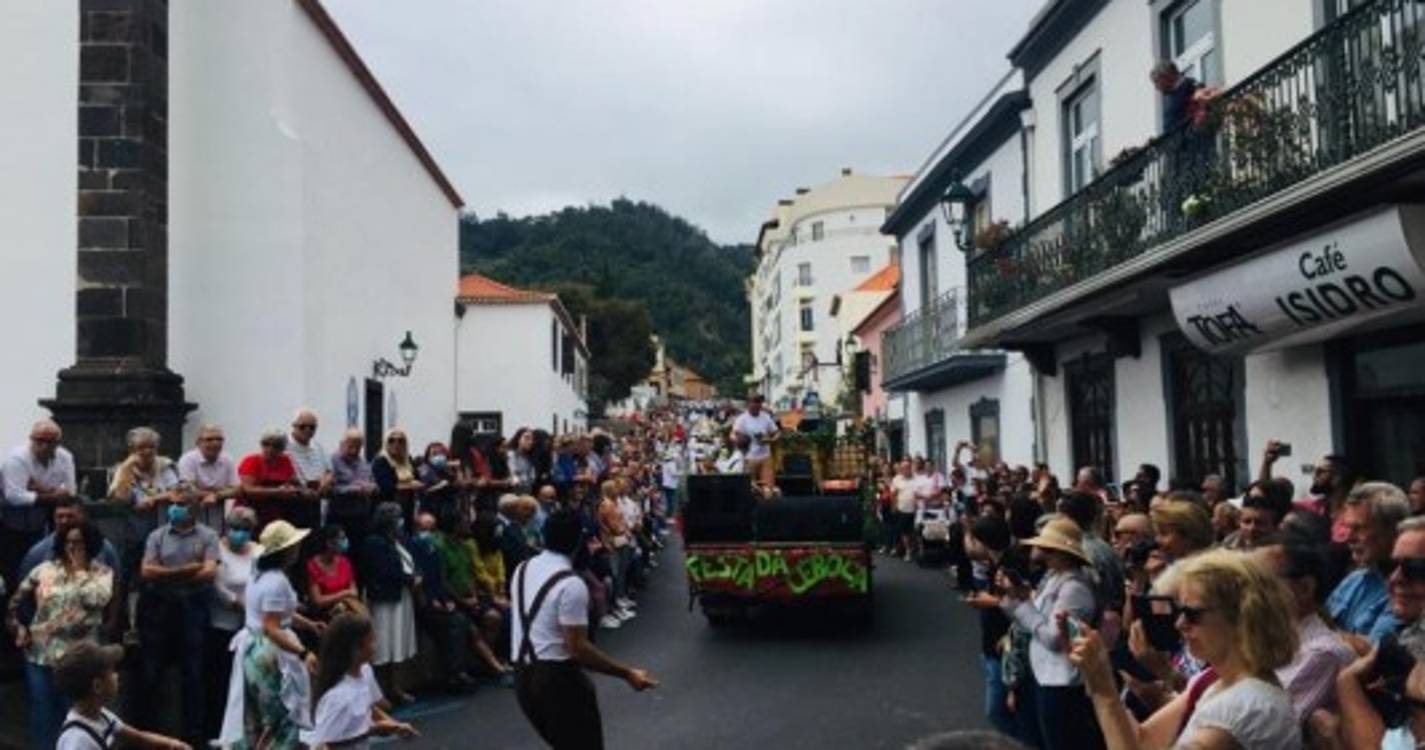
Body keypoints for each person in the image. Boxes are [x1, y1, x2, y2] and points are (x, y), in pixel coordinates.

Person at [1069, 549, 1302, 750]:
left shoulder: (1249, 707)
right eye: (1180, 611)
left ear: (1242, 617)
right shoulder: (1213, 679)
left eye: (1192, 614)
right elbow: (1144, 741)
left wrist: (1104, 691)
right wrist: (1097, 675)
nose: (1180, 624)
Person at [510, 509, 657, 749]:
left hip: (523, 676)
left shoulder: (522, 569)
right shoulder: (571, 584)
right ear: (577, 543)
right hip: (556, 678)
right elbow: (577, 648)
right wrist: (627, 673)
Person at [994, 517, 1104, 750]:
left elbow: (1054, 638)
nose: (1043, 553)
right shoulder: (1054, 578)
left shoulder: (1074, 588)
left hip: (1062, 680)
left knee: (1060, 742)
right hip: (1046, 675)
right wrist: (1016, 600)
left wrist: (1022, 608)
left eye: (1049, 549)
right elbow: (1036, 620)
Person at [6, 520, 113, 750]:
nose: (73, 547)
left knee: (74, 713)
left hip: (78, 658)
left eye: (79, 542)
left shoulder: (102, 573)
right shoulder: (44, 570)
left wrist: (80, 571)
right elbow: (14, 602)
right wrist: (18, 627)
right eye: (68, 541)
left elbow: (97, 599)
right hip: (40, 653)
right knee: (43, 712)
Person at [219, 520, 324, 749]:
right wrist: (303, 653)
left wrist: (309, 625)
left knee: (259, 716)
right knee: (281, 717)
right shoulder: (276, 581)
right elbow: (271, 626)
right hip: (270, 651)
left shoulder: (258, 574)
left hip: (253, 647)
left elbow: (276, 614)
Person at [135, 489, 220, 746]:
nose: (174, 508)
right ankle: (146, 735)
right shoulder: (157, 535)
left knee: (193, 674)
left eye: (181, 504)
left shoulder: (209, 535)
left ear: (194, 507)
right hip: (158, 608)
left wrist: (167, 572)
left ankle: (193, 736)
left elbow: (208, 573)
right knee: (151, 673)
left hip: (193, 608)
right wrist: (188, 569)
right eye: (172, 503)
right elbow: (146, 571)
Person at [1259, 540, 1355, 723]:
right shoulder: (1265, 640)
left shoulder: (1322, 654)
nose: (1246, 592)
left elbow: (1262, 727)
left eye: (1261, 581)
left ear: (1304, 588)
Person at [302, 613, 418, 749]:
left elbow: (367, 706)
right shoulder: (337, 697)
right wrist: (372, 730)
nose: (376, 645)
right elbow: (325, 743)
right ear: (356, 649)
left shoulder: (365, 671)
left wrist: (395, 726)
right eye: (372, 640)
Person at [53, 642, 190, 750]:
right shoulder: (78, 741)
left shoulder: (101, 716)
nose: (117, 675)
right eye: (112, 671)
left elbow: (139, 738)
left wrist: (173, 744)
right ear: (97, 686)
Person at [205, 507, 262, 743]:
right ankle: (218, 732)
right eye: (237, 529)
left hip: (250, 626)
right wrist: (235, 603)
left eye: (246, 530)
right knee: (221, 681)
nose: (241, 534)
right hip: (221, 623)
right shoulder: (216, 549)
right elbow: (215, 585)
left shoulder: (259, 551)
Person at [1328, 482, 1411, 640]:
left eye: (1358, 528)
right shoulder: (1354, 581)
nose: (1349, 537)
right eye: (1348, 527)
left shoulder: (1410, 592)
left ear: (1393, 530)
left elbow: (1374, 654)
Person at [2, 419, 76, 586]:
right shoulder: (17, 459)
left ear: (58, 443)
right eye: (39, 440)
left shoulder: (65, 457)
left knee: (40, 570)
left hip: (42, 524)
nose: (43, 446)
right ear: (31, 439)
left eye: (49, 442)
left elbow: (70, 493)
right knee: (11, 573)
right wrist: (52, 494)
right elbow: (14, 496)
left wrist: (38, 489)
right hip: (11, 525)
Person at [358, 502, 418, 704]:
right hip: (384, 599)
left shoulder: (398, 539)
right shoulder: (374, 542)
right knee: (382, 644)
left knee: (398, 642)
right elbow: (383, 571)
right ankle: (378, 693)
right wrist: (409, 579)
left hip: (402, 597)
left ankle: (395, 688)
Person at [107, 427, 182, 579]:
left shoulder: (165, 465)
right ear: (132, 449)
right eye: (141, 447)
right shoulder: (121, 469)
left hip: (163, 525)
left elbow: (177, 492)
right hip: (131, 530)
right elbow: (120, 498)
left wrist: (153, 499)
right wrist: (127, 469)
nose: (147, 451)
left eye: (151, 447)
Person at [236, 430, 305, 532]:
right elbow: (248, 490)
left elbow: (294, 481)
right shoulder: (251, 461)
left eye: (276, 445)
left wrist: (294, 489)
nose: (270, 449)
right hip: (250, 515)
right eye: (266, 444)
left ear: (283, 448)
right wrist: (277, 492)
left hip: (275, 515)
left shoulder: (285, 460)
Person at [177, 423, 240, 533]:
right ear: (198, 442)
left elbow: (237, 490)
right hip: (193, 512)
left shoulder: (227, 459)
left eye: (219, 439)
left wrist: (216, 495)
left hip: (219, 514)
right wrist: (215, 493)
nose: (215, 443)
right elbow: (188, 490)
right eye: (209, 439)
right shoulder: (188, 459)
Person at [330, 428, 379, 550]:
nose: (354, 451)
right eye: (350, 446)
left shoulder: (364, 463)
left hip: (361, 517)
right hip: (340, 517)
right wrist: (354, 489)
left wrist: (372, 488)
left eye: (358, 447)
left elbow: (374, 484)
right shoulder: (332, 462)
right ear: (342, 444)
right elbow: (330, 490)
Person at [286, 408, 332, 530]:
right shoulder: (285, 446)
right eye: (302, 426)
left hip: (316, 500)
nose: (307, 430)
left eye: (312, 427)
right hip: (294, 502)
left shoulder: (318, 446)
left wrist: (326, 481)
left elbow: (329, 470)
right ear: (293, 426)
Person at [306, 524, 361, 621]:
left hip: (346, 613)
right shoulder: (312, 565)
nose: (345, 541)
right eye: (342, 538)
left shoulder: (345, 562)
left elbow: (354, 592)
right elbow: (318, 601)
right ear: (329, 543)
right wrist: (345, 593)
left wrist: (340, 602)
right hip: (323, 618)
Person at [372, 429, 422, 530]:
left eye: (401, 441)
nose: (396, 444)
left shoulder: (408, 459)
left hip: (408, 506)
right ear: (386, 442)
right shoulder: (381, 461)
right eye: (392, 440)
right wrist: (410, 485)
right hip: (389, 508)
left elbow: (418, 480)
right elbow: (386, 486)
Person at [1223, 479, 1292, 551]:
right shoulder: (1229, 544)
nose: (1252, 528)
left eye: (1260, 523)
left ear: (1277, 524)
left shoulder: (1288, 552)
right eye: (1247, 521)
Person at [732, 393, 779, 489]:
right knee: (750, 488)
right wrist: (739, 440)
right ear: (748, 404)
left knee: (768, 487)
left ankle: (768, 501)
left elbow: (777, 433)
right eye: (753, 402)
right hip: (749, 458)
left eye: (758, 403)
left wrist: (771, 440)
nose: (756, 405)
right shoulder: (742, 419)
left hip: (765, 456)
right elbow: (733, 434)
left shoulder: (766, 417)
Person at [1151, 60, 1203, 133]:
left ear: (1166, 76)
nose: (1156, 87)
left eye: (1157, 81)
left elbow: (1201, 114)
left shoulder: (1191, 86)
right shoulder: (1173, 96)